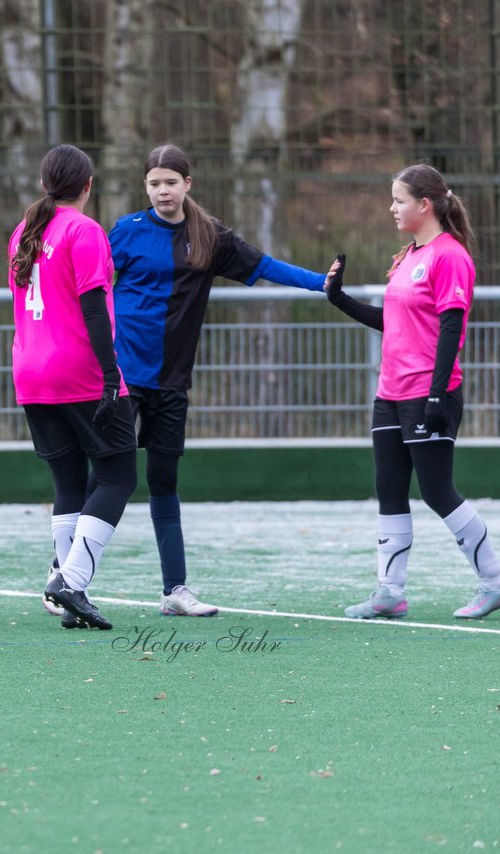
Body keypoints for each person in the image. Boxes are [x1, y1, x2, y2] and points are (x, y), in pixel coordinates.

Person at [106, 143, 341, 617]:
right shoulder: (125, 231)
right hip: (123, 378)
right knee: (108, 478)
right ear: (145, 186)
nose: (163, 190)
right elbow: (94, 290)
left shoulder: (209, 236)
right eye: (154, 183)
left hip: (172, 382)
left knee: (164, 482)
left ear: (187, 184)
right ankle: (66, 578)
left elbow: (265, 266)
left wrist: (321, 282)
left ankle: (175, 591)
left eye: (171, 182)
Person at [326, 163, 500, 620]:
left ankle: (497, 584)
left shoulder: (450, 256)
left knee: (437, 491)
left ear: (424, 205)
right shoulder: (408, 256)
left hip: (429, 393)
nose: (392, 208)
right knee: (389, 490)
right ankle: (389, 593)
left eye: (399, 200)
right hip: (390, 393)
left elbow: (451, 328)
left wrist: (435, 395)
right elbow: (395, 322)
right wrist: (339, 298)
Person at [7, 143, 138, 631]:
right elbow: (93, 308)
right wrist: (110, 376)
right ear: (88, 185)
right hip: (77, 369)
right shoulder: (84, 230)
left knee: (68, 481)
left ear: (44, 184)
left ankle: (68, 597)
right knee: (118, 475)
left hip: (30, 371)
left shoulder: (24, 230)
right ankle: (72, 581)